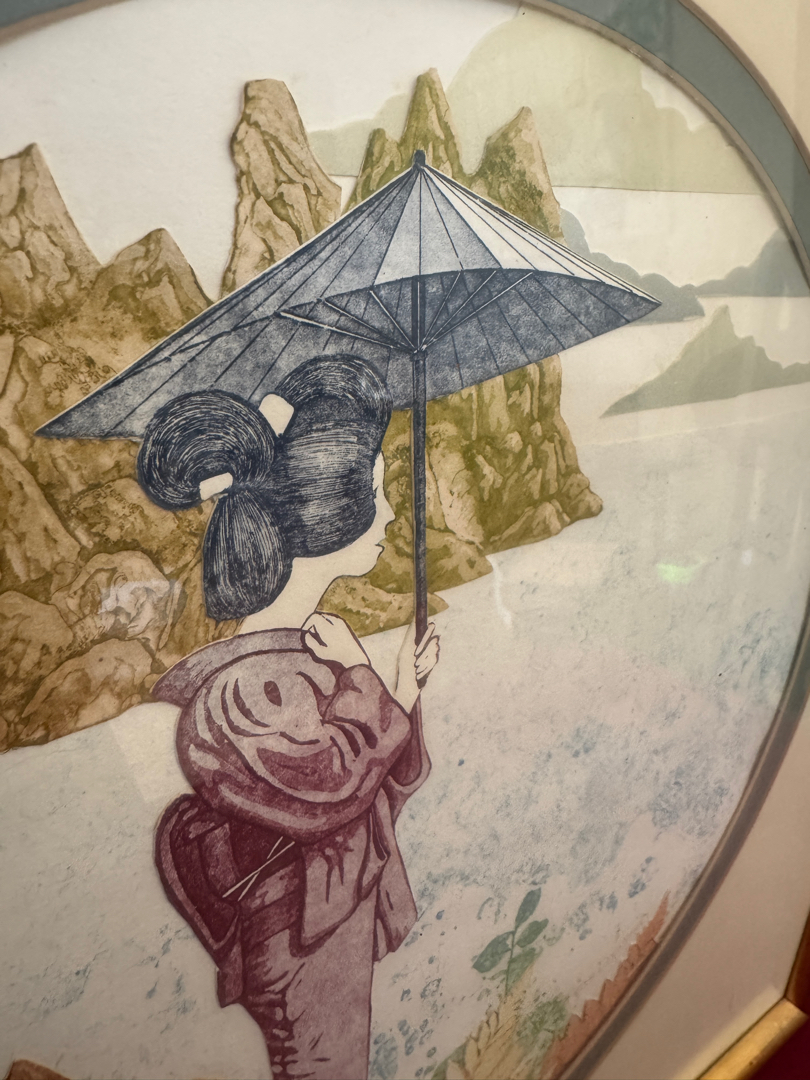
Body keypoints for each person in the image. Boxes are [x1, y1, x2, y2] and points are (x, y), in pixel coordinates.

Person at [137, 355, 440, 1080]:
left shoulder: (307, 654)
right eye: (376, 492)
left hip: (331, 925)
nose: (390, 514)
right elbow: (334, 786)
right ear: (326, 511)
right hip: (299, 940)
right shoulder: (249, 687)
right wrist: (366, 680)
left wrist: (401, 688)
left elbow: (370, 797)